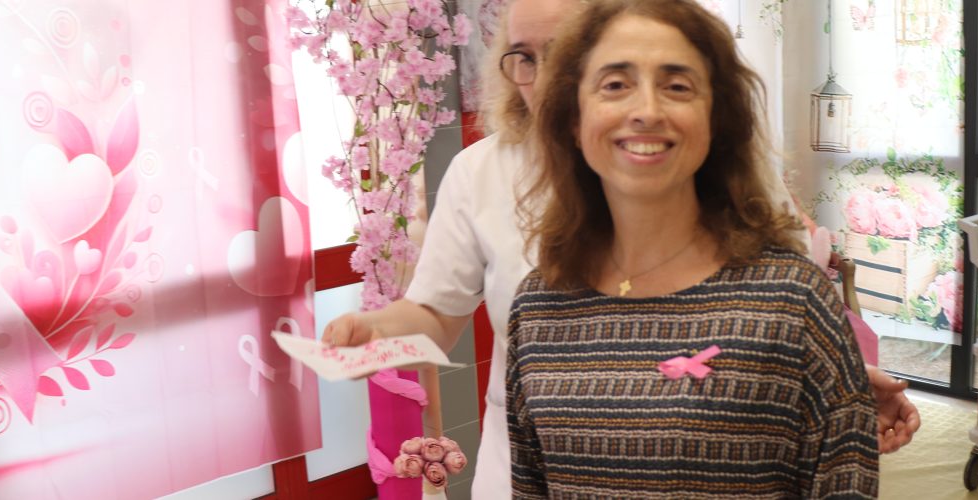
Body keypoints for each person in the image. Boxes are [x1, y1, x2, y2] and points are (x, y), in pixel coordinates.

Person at [321, 0, 916, 495]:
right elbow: (437, 310)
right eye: (524, 57)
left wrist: (823, 381)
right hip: (548, 445)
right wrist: (374, 333)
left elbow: (775, 313)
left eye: (562, 52)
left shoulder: (731, 200)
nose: (542, 76)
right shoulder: (496, 209)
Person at [504, 0, 877, 495]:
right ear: (574, 118)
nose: (646, 111)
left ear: (716, 119)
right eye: (615, 85)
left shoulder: (792, 302)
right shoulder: (538, 308)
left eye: (677, 86)